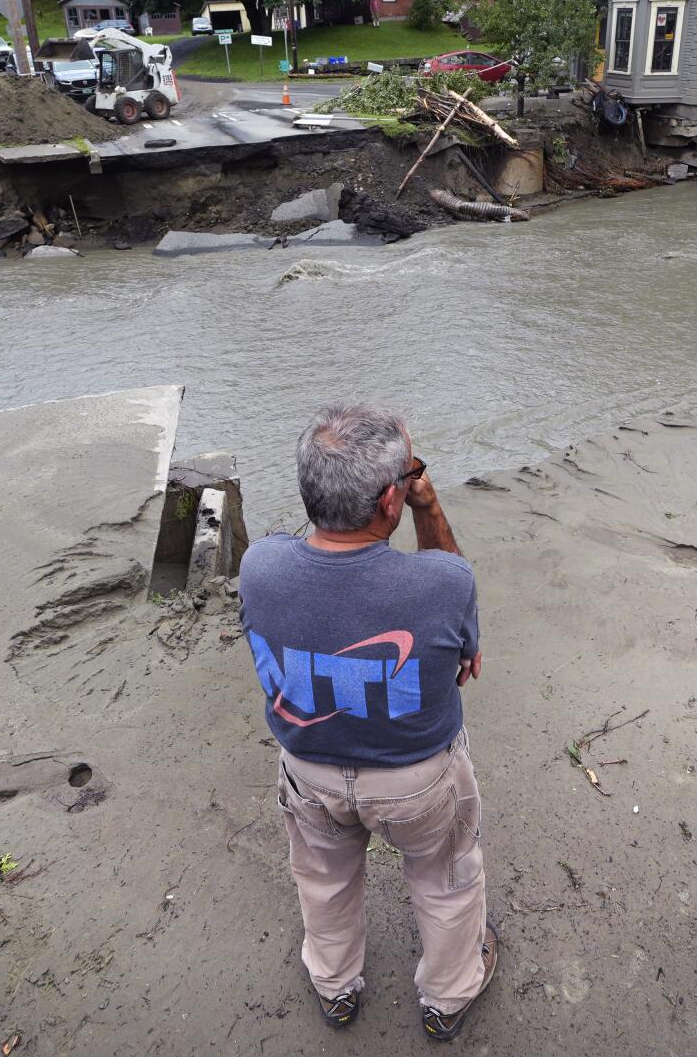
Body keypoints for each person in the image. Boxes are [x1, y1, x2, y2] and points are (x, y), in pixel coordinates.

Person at [239, 404, 498, 1041]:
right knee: (445, 880)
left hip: (308, 770)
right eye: (409, 475)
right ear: (392, 500)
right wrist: (428, 508)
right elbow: (468, 648)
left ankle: (334, 985)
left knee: (323, 881)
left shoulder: (260, 567)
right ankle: (449, 994)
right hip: (417, 780)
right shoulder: (441, 583)